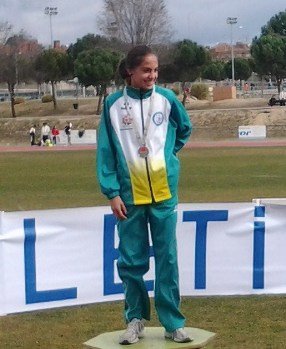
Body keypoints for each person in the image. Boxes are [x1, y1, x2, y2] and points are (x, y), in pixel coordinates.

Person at [96, 45, 192, 345]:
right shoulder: (113, 104)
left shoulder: (166, 99)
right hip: (129, 197)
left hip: (163, 194)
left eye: (155, 70)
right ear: (130, 71)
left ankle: (172, 322)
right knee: (131, 262)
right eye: (146, 70)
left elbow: (185, 129)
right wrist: (112, 192)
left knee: (168, 259)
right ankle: (134, 320)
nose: (152, 75)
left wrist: (168, 157)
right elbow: (105, 152)